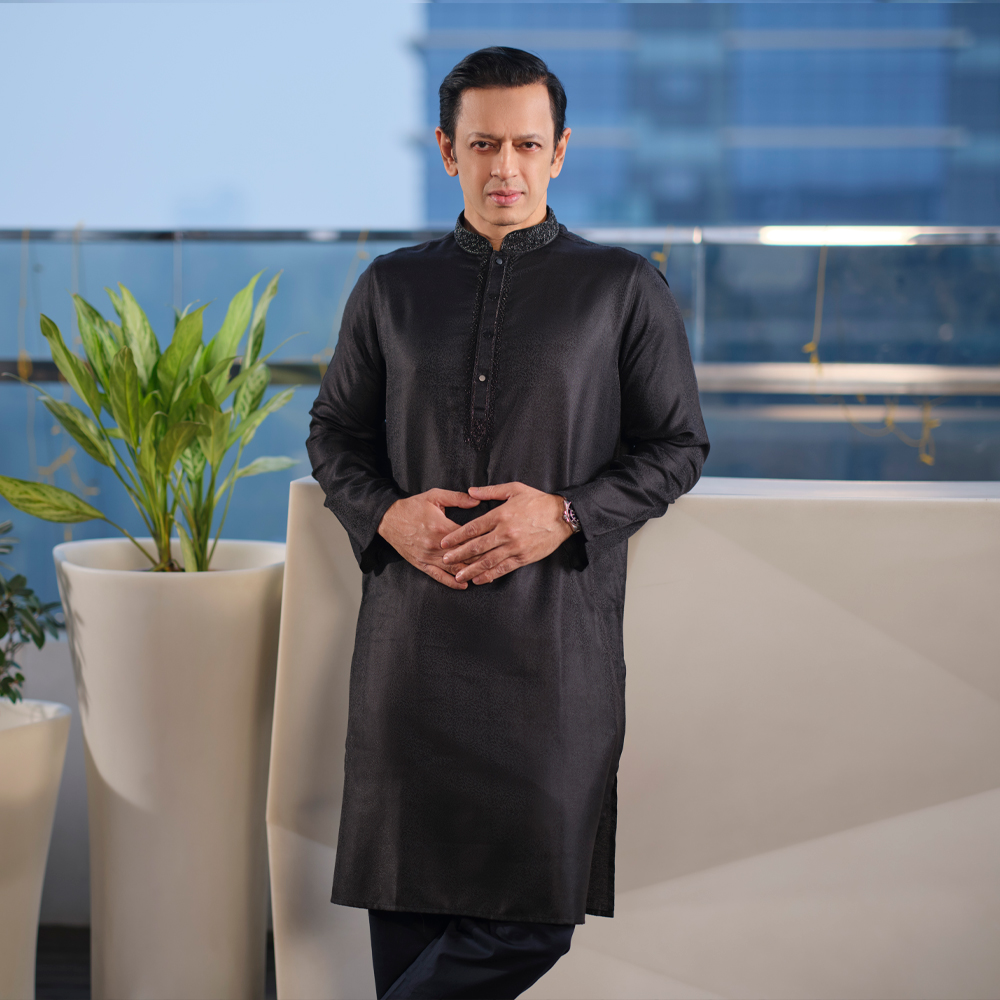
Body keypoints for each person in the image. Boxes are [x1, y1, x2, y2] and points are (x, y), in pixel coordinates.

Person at [307, 46, 709, 1000]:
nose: (506, 168)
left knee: (530, 924)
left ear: (560, 152)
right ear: (448, 150)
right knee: (408, 926)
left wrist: (564, 515)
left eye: (528, 144)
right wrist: (387, 516)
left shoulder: (622, 287)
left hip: (552, 659)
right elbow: (334, 434)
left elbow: (678, 445)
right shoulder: (391, 287)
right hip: (412, 656)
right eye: (483, 144)